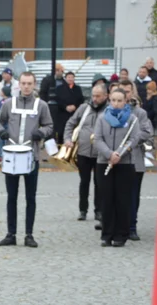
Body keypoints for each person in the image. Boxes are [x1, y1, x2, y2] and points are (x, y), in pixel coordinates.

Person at [0, 71, 53, 247]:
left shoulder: (41, 105)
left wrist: (41, 132)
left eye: (30, 83)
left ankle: (29, 234)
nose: (26, 86)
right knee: (11, 197)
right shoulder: (9, 103)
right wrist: (1, 132)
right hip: (11, 157)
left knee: (30, 197)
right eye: (24, 83)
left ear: (34, 85)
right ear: (19, 84)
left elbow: (50, 126)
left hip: (31, 157)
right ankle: (11, 234)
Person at [94, 87, 139, 247]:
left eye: (120, 101)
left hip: (124, 164)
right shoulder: (102, 118)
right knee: (106, 199)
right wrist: (109, 154)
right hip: (104, 162)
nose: (116, 103)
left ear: (125, 101)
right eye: (113, 100)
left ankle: (121, 234)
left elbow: (134, 139)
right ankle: (107, 234)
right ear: (109, 101)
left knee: (122, 200)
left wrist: (119, 154)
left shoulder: (132, 119)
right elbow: (97, 139)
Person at [64, 83, 107, 222]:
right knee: (84, 181)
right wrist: (67, 139)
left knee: (99, 183)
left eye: (98, 96)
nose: (94, 99)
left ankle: (99, 210)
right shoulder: (84, 108)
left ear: (105, 96)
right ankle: (83, 210)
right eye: (93, 95)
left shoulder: (108, 110)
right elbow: (70, 123)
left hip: (101, 153)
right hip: (83, 151)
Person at [118, 79, 153, 241]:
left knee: (133, 195)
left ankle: (132, 226)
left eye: (128, 90)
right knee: (117, 195)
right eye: (122, 91)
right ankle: (118, 225)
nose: (126, 93)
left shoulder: (140, 113)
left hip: (135, 159)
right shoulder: (112, 111)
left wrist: (132, 140)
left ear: (132, 93)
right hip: (117, 158)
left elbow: (147, 132)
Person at [54, 71, 83, 144]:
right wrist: (65, 107)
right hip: (62, 113)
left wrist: (75, 106)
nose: (70, 79)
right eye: (68, 77)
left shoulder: (78, 88)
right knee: (61, 133)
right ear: (65, 78)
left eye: (72, 77)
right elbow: (57, 99)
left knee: (73, 132)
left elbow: (81, 99)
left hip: (74, 113)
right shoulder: (59, 88)